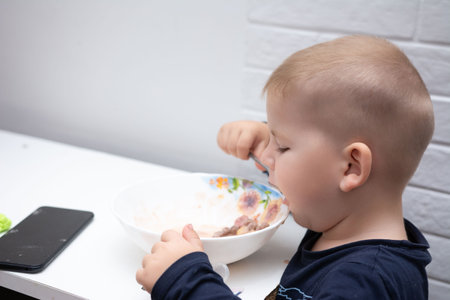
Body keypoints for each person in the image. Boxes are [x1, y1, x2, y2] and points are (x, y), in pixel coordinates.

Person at [136, 35, 434, 299]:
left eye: (282, 146)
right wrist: (264, 137)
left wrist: (184, 283)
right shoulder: (343, 225)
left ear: (350, 168)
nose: (268, 158)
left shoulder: (363, 283)